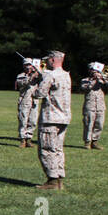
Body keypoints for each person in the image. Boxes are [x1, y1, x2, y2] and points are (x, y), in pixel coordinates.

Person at [32, 50, 71, 190]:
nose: (46, 62)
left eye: (48, 59)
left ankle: (52, 180)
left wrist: (37, 81)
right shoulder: (66, 75)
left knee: (47, 149)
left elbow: (39, 93)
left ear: (53, 60)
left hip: (50, 117)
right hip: (64, 117)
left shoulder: (51, 75)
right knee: (58, 149)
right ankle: (59, 179)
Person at [80, 62, 108, 150]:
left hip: (100, 106)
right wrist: (93, 81)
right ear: (90, 71)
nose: (95, 72)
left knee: (99, 124)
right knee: (88, 124)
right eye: (93, 70)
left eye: (96, 70)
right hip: (89, 106)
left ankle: (95, 141)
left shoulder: (102, 80)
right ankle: (87, 142)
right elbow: (85, 88)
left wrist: (103, 78)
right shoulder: (85, 80)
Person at [15, 58, 42, 148]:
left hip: (34, 100)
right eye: (26, 65)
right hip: (24, 100)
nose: (28, 67)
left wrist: (39, 70)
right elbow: (22, 83)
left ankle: (29, 139)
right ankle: (22, 139)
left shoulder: (37, 75)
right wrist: (32, 76)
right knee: (23, 120)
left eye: (29, 65)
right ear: (23, 66)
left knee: (33, 121)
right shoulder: (21, 75)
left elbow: (44, 79)